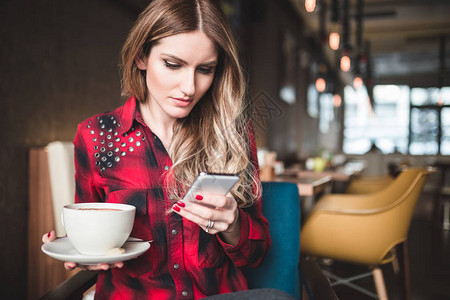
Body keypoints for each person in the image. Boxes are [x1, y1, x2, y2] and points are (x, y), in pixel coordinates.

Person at [42, 0, 276, 299]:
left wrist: (233, 225)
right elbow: (91, 240)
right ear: (141, 56)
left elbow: (258, 255)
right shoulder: (96, 136)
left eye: (205, 69)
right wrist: (82, 250)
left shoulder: (232, 133)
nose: (189, 87)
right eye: (173, 64)